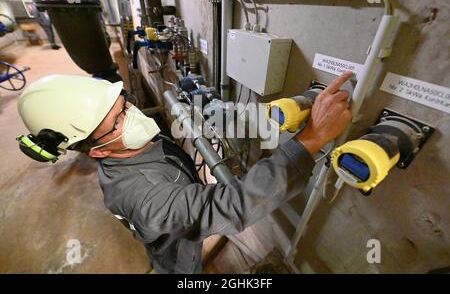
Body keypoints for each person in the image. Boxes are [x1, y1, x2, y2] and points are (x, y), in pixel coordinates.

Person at [17, 72, 353, 273]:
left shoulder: (128, 144)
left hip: (168, 225)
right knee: (182, 266)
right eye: (118, 120)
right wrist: (313, 138)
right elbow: (231, 205)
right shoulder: (147, 197)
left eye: (124, 104)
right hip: (174, 250)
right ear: (99, 151)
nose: (132, 113)